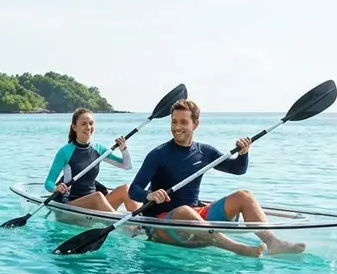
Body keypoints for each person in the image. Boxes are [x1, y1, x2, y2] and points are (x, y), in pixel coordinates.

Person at [127, 99, 305, 257]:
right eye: (174, 122)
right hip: (162, 225)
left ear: (195, 124)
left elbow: (238, 169)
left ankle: (274, 243)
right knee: (184, 211)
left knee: (244, 196)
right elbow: (134, 190)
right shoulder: (158, 154)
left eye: (183, 122)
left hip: (196, 215)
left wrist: (243, 153)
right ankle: (237, 248)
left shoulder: (205, 152)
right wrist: (149, 195)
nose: (177, 127)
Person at [44, 108, 141, 213]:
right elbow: (48, 183)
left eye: (91, 123)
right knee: (97, 196)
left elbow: (126, 166)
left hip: (95, 203)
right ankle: (119, 221)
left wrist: (124, 149)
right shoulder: (65, 152)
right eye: (83, 124)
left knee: (126, 189)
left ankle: (141, 221)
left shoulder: (98, 149)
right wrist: (56, 188)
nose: (88, 127)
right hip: (71, 203)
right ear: (74, 127)